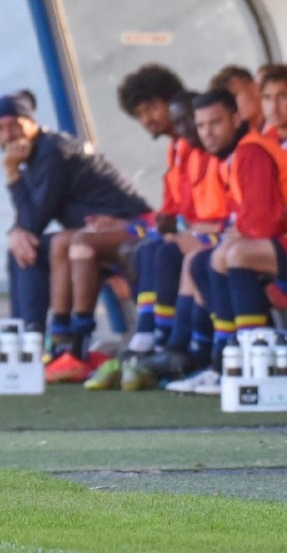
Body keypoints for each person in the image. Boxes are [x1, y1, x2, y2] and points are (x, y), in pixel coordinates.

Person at [0, 90, 150, 383]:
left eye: (14, 124)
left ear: (31, 122)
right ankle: (38, 345)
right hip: (91, 235)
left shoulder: (53, 153)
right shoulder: (39, 154)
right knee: (31, 248)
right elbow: (29, 222)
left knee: (40, 248)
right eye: (0, 129)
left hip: (127, 230)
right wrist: (17, 231)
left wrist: (11, 174)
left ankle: (47, 346)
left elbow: (34, 221)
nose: (8, 135)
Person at [93, 65, 225, 390]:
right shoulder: (180, 149)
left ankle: (170, 343)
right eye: (139, 113)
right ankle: (150, 337)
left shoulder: (220, 152)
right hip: (201, 231)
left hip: (222, 234)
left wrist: (179, 226)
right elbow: (172, 209)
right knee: (145, 247)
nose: (147, 119)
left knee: (166, 251)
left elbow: (217, 209)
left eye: (151, 107)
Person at [169, 88, 287, 396]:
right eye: (202, 125)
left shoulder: (250, 152)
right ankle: (223, 364)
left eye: (216, 123)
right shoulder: (230, 157)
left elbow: (263, 223)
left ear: (236, 118)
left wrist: (232, 234)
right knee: (202, 259)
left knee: (229, 255)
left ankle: (245, 363)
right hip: (275, 245)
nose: (207, 132)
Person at [210, 64, 263, 132]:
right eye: (227, 101)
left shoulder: (278, 129)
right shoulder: (241, 138)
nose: (232, 105)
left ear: (254, 89)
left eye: (234, 96)